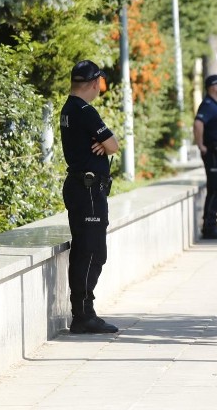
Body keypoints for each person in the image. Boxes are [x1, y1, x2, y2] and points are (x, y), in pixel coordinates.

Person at [60, 60, 120, 334]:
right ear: (95, 84)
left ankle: (83, 311)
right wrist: (104, 144)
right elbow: (113, 145)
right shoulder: (84, 110)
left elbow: (106, 146)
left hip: (83, 188)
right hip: (88, 191)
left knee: (88, 250)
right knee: (91, 251)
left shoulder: (69, 108)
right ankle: (83, 314)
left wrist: (102, 144)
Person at [194, 75, 217, 239]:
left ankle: (212, 225)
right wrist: (200, 145)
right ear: (214, 87)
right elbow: (198, 123)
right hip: (214, 152)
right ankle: (209, 226)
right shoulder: (207, 105)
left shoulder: (216, 105)